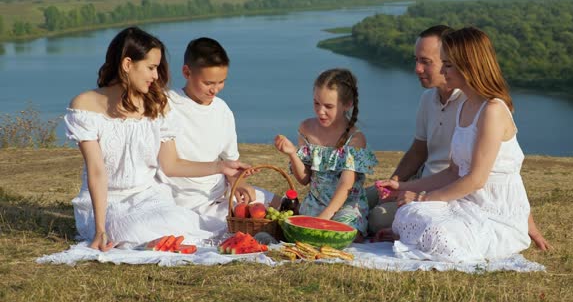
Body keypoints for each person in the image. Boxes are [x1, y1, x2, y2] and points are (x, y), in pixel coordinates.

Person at [65, 27, 249, 251]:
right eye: (151, 68)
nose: (156, 76)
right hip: (109, 202)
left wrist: (221, 167)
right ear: (127, 64)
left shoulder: (157, 104)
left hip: (150, 198)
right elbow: (96, 171)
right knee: (136, 231)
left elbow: (171, 165)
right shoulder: (85, 106)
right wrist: (100, 229)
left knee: (183, 225)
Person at [369, 25, 550, 251]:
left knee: (429, 225)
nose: (443, 71)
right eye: (443, 64)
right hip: (466, 203)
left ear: (469, 66)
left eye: (448, 65)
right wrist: (402, 185)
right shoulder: (465, 106)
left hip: (493, 211)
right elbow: (453, 171)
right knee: (409, 214)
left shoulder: (493, 110)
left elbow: (479, 179)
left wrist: (422, 198)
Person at [163, 37, 280, 235]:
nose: (215, 89)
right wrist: (221, 169)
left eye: (221, 82)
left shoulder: (222, 110)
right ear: (186, 72)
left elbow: (230, 163)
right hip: (187, 201)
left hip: (222, 194)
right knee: (246, 227)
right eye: (208, 83)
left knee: (281, 204)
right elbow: (171, 166)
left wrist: (240, 184)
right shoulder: (167, 104)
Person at [366, 25, 465, 234]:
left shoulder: (470, 103)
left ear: (449, 61)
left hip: (443, 192)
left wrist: (414, 191)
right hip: (420, 180)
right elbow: (419, 150)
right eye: (416, 60)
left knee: (377, 218)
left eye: (425, 62)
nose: (417, 69)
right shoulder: (428, 98)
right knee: (362, 197)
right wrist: (394, 182)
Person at [274, 68, 377, 240]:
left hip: (345, 206)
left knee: (337, 236)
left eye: (328, 106)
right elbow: (304, 179)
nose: (320, 111)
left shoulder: (355, 139)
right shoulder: (306, 128)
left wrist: (324, 218)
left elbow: (346, 185)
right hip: (315, 204)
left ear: (347, 104)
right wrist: (292, 153)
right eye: (316, 103)